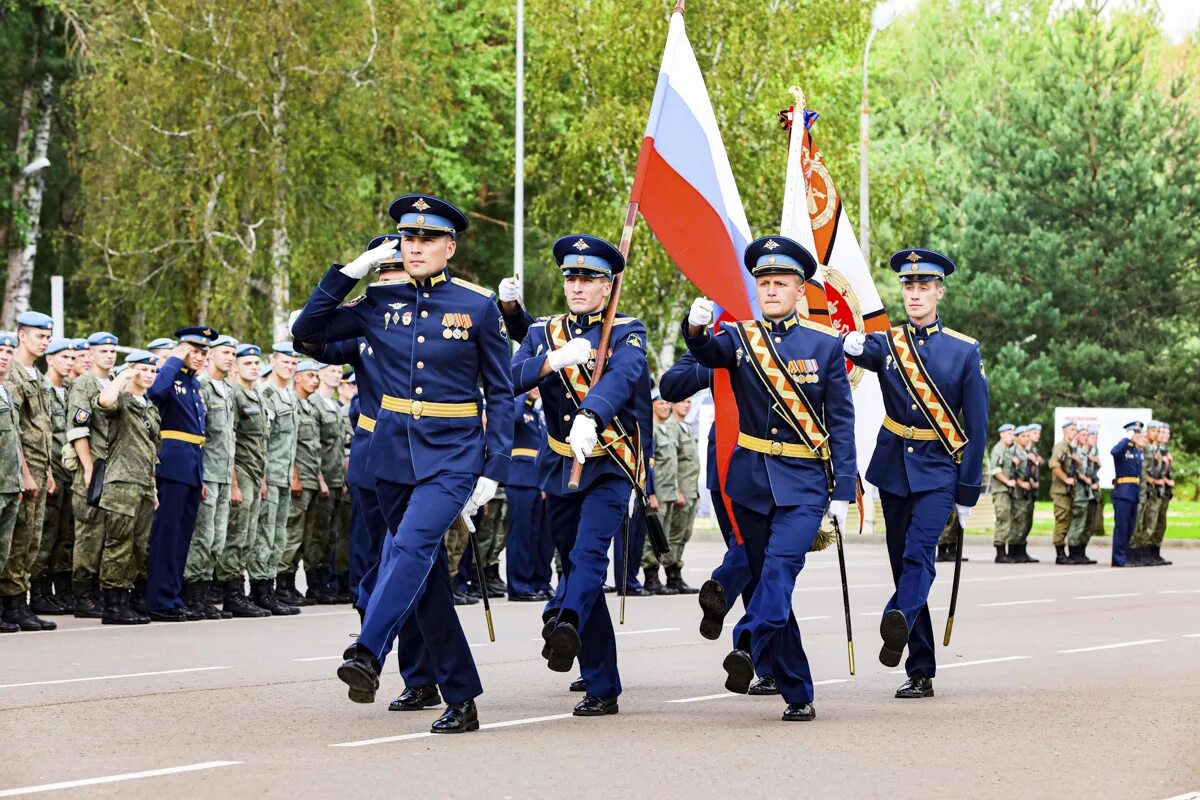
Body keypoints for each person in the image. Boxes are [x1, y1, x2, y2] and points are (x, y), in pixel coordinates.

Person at [295, 194, 513, 735]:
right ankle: (461, 696)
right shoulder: (378, 303)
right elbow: (306, 332)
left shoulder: (477, 306)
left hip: (453, 456)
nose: (415, 247)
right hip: (392, 457)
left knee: (412, 547)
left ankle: (368, 651)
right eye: (407, 239)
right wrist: (350, 273)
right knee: (429, 580)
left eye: (427, 239)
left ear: (449, 247)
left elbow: (502, 393)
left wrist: (493, 466)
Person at [684, 235, 855, 722]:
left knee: (779, 571)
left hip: (802, 485)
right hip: (751, 482)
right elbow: (707, 353)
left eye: (782, 283)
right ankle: (799, 691)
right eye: (764, 282)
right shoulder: (740, 339)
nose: (772, 290)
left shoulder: (824, 347)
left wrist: (842, 491)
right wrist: (694, 329)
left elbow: (841, 425)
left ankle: (744, 644)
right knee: (765, 582)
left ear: (801, 290)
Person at [511, 232, 650, 718]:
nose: (577, 286)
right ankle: (601, 684)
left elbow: (623, 375)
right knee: (572, 565)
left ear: (609, 286)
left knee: (590, 554)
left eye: (589, 278)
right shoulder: (543, 333)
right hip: (557, 463)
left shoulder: (628, 331)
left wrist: (592, 413)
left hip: (609, 460)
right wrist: (550, 361)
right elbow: (512, 377)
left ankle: (563, 617)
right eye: (572, 276)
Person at [843, 247, 988, 700]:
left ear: (940, 291)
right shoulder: (886, 344)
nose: (916, 293)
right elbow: (835, 347)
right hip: (893, 470)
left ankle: (897, 617)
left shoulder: (964, 351)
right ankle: (920, 667)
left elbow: (978, 427)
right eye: (909, 285)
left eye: (924, 286)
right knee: (900, 563)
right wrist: (843, 341)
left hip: (939, 470)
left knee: (919, 555)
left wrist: (968, 490)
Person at [144, 326, 213, 621]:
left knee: (182, 536)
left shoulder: (193, 384)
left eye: (203, 353)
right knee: (166, 535)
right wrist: (173, 359)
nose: (199, 357)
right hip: (172, 464)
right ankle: (159, 600)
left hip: (191, 465)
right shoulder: (169, 377)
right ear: (181, 349)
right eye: (194, 351)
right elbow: (156, 392)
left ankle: (172, 596)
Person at [94, 351, 162, 625]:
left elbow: (152, 450)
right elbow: (104, 401)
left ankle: (128, 598)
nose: (147, 375)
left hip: (144, 484)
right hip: (121, 482)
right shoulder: (121, 400)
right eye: (142, 370)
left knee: (138, 546)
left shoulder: (149, 407)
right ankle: (113, 603)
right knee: (118, 544)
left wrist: (153, 488)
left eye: (152, 371)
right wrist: (123, 374)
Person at [0, 311, 56, 632]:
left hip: (39, 465)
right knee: (17, 539)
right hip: (19, 469)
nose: (45, 342)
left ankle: (19, 603)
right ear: (22, 335)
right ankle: (11, 603)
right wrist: (25, 472)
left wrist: (45, 470)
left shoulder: (37, 376)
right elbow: (15, 431)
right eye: (39, 336)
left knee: (32, 539)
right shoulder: (13, 376)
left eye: (48, 337)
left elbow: (42, 428)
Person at [183, 334, 238, 620]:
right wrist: (199, 476)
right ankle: (193, 594)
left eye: (233, 354)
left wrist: (232, 479)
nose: (230, 357)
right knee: (202, 537)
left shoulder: (227, 390)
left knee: (217, 539)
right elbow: (199, 436)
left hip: (223, 474)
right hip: (206, 473)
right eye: (225, 352)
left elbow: (229, 438)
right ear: (211, 355)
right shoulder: (201, 386)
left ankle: (203, 594)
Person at [219, 344, 274, 616]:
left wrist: (262, 478)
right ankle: (232, 593)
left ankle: (243, 591)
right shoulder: (235, 395)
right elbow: (230, 441)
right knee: (237, 534)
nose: (254, 366)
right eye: (248, 362)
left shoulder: (258, 396)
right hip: (239, 471)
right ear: (236, 367)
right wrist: (234, 483)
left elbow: (261, 442)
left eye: (256, 362)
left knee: (250, 535)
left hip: (255, 471)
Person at [67, 331, 119, 617]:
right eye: (103, 352)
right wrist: (87, 468)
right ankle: (83, 594)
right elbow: (78, 429)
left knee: (109, 531)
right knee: (89, 532)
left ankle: (98, 589)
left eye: (112, 352)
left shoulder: (113, 383)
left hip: (114, 468)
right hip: (94, 467)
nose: (109, 356)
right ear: (92, 353)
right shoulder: (83, 384)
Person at [252, 343, 301, 611]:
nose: (290, 367)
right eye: (285, 362)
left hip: (283, 474)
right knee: (265, 534)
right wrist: (261, 476)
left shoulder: (289, 396)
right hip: (268, 474)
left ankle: (270, 587)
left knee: (278, 535)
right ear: (272, 361)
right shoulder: (266, 393)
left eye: (294, 363)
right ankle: (261, 590)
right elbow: (262, 439)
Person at [30, 338, 77, 615]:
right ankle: (38, 591)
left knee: (65, 534)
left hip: (70, 471)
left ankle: (57, 590)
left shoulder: (70, 390)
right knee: (45, 534)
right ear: (50, 359)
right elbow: (42, 435)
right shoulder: (42, 389)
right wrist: (46, 471)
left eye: (72, 358)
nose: (70, 362)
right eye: (64, 357)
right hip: (51, 471)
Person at [278, 359, 326, 605]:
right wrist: (294, 475)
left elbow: (314, 449)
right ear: (297, 377)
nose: (315, 380)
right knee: (292, 532)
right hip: (298, 478)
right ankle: (283, 585)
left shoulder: (310, 406)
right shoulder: (293, 403)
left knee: (307, 535)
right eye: (309, 376)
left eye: (316, 376)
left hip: (311, 478)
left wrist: (320, 480)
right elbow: (290, 443)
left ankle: (292, 586)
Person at [505, 388, 552, 601]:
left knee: (540, 538)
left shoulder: (539, 415)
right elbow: (510, 417)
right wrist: (521, 393)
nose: (535, 389)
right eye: (531, 384)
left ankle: (538, 581)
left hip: (539, 483)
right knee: (520, 537)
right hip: (520, 480)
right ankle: (519, 586)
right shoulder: (519, 408)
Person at [642, 390, 678, 595]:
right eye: (660, 403)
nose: (665, 406)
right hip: (658, 492)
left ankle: (666, 576)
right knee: (653, 536)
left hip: (669, 490)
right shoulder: (652, 430)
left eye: (667, 403)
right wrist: (651, 493)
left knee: (666, 536)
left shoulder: (668, 430)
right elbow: (649, 465)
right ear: (653, 405)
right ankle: (651, 577)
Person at [0, 332, 24, 633]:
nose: (5, 355)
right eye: (0, 350)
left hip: (8, 483)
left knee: (3, 551)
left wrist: (21, 479)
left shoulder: (7, 391)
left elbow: (15, 440)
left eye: (9, 351)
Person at [665, 397, 700, 593]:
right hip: (680, 490)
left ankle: (677, 572)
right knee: (675, 534)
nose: (686, 405)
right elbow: (671, 462)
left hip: (691, 490)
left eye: (688, 402)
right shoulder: (671, 427)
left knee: (685, 533)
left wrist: (694, 491)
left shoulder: (685, 427)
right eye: (682, 402)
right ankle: (672, 574)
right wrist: (676, 489)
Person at [1111, 421, 1145, 567]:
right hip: (1123, 492)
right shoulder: (1123, 448)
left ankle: (1124, 556)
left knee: (1130, 527)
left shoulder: (1137, 451)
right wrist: (1127, 438)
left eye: (1139, 433)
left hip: (1133, 492)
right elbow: (1114, 452)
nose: (1139, 436)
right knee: (1122, 526)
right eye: (1136, 433)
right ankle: (1118, 558)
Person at [1065, 425, 1100, 564]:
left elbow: (1092, 472)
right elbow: (1073, 470)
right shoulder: (1075, 451)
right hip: (1080, 493)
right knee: (1078, 523)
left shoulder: (1092, 452)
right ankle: (1074, 553)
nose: (1087, 438)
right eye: (1084, 435)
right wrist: (1086, 479)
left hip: (1090, 493)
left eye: (1089, 435)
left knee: (1088, 525)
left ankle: (1081, 553)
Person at [1049, 421, 1079, 564]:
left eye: (1075, 430)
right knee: (1062, 520)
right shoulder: (1061, 447)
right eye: (1072, 429)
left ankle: (1063, 553)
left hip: (1068, 492)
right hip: (1060, 491)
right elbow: (1054, 465)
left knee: (1066, 521)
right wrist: (1066, 479)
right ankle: (1060, 554)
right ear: (1065, 431)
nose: (1075, 432)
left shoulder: (1070, 449)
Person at [988, 424, 1016, 563]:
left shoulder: (1007, 450)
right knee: (1003, 519)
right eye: (1009, 433)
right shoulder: (998, 449)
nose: (1012, 436)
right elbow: (995, 471)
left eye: (1013, 434)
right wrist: (1008, 482)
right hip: (1000, 490)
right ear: (1002, 434)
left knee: (1007, 519)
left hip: (1006, 491)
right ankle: (1000, 553)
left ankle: (1004, 552)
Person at [1149, 423, 1174, 566]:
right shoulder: (1154, 451)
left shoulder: (1166, 452)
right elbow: (1152, 472)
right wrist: (1166, 480)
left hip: (1164, 492)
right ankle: (1149, 553)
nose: (1165, 436)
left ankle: (1156, 552)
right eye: (1162, 433)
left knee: (1161, 523)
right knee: (1152, 521)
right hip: (1155, 490)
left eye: (1167, 433)